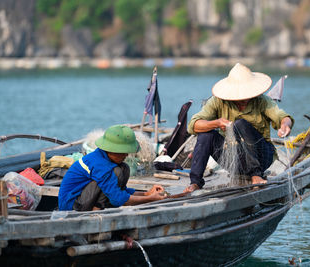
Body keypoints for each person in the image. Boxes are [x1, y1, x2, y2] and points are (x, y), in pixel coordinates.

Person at [183, 63, 294, 193]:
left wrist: (285, 125)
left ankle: (256, 175)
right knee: (206, 135)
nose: (244, 98)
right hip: (234, 159)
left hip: (261, 157)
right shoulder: (217, 102)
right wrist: (217, 123)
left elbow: (282, 116)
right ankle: (195, 182)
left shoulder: (262, 101)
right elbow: (194, 125)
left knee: (240, 124)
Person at [58, 125, 166, 211]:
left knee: (123, 168)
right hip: (73, 205)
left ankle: (98, 207)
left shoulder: (107, 160)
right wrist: (149, 199)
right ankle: (96, 209)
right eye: (123, 152)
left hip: (86, 198)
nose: (126, 155)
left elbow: (120, 191)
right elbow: (118, 198)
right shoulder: (99, 164)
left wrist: (147, 193)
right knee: (117, 172)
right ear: (111, 150)